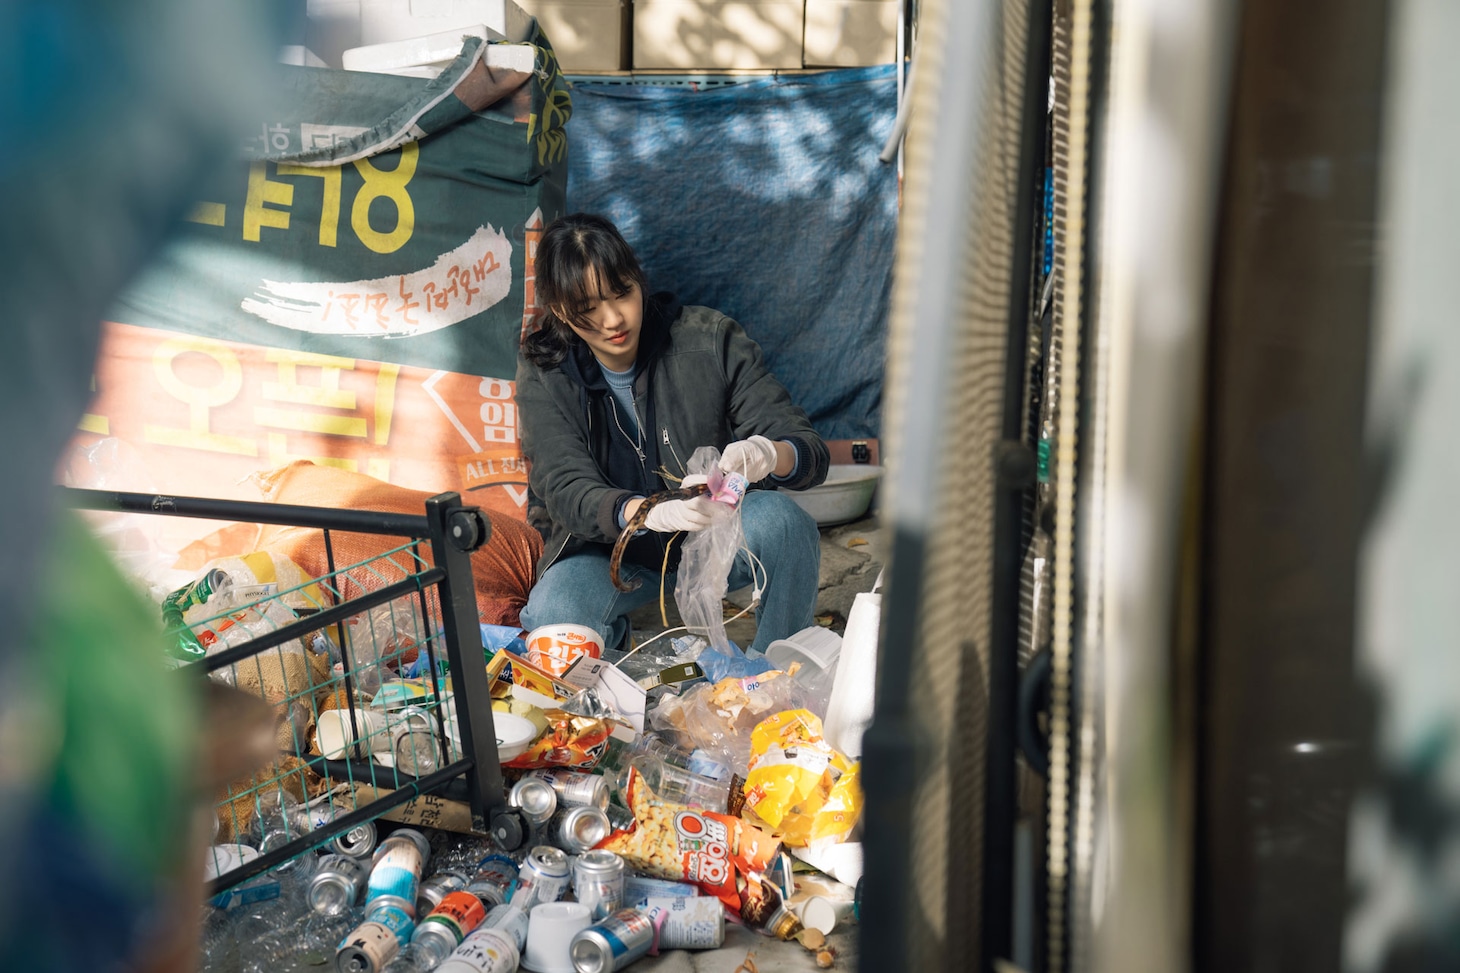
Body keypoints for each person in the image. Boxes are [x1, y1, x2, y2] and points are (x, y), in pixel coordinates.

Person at [515, 213, 828, 656]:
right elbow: (564, 489)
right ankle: (616, 648)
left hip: (712, 544)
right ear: (562, 312)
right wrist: (641, 512)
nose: (612, 319)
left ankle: (776, 678)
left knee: (784, 523)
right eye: (588, 309)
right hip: (608, 555)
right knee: (556, 616)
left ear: (637, 279)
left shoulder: (709, 339)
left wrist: (768, 453)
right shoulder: (546, 372)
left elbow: (806, 448)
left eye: (622, 293)